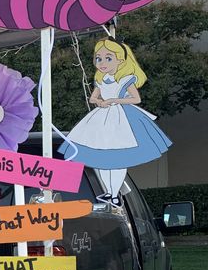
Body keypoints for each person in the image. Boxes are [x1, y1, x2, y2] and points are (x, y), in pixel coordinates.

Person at [59, 39, 171, 205]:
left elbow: (136, 98)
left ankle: (113, 195)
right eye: (98, 58)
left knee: (119, 159)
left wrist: (114, 100)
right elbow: (92, 97)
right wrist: (99, 101)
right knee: (100, 160)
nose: (102, 62)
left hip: (121, 119)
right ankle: (109, 192)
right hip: (102, 117)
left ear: (120, 60)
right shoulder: (100, 79)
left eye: (108, 58)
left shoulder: (125, 80)